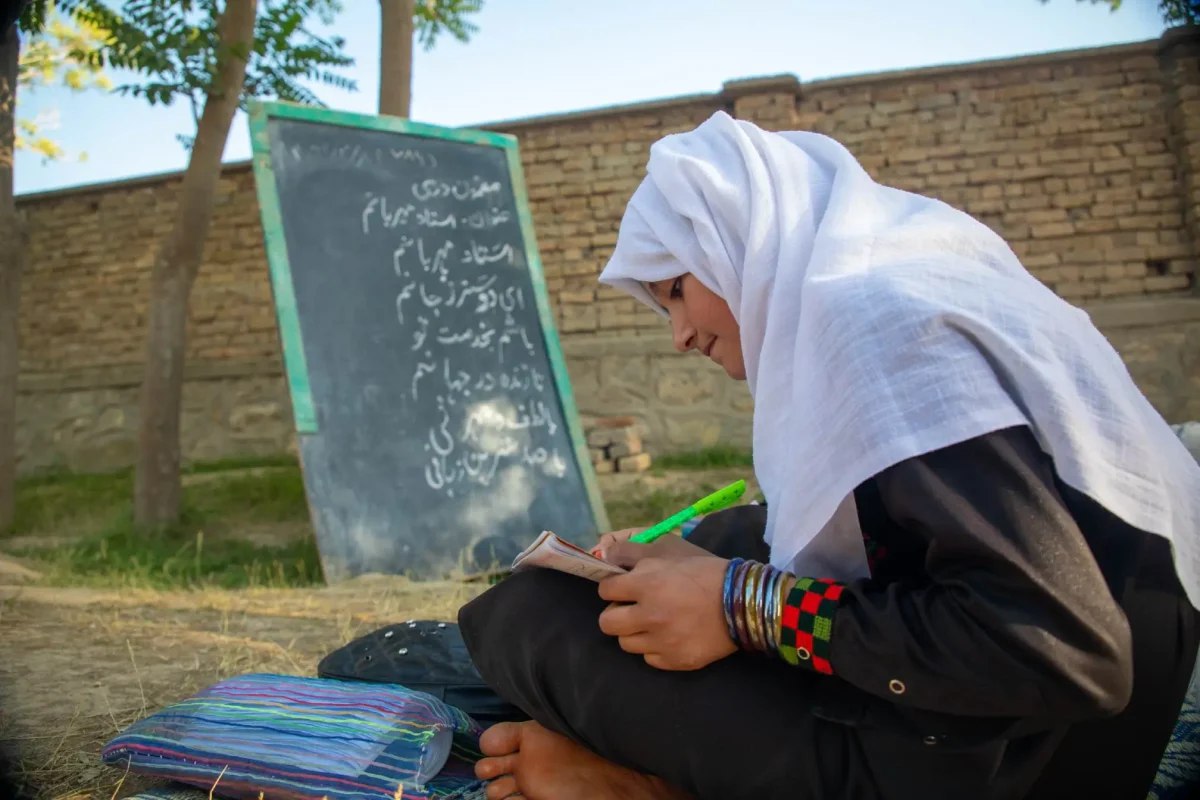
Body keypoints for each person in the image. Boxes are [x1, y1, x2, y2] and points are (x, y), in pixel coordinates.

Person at [457, 111, 1200, 800]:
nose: (678, 334)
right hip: (1060, 722)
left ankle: (649, 787)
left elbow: (1055, 649)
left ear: (740, 244)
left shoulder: (877, 328)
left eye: (678, 290)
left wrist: (745, 606)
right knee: (724, 536)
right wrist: (714, 570)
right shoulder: (904, 278)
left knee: (530, 614)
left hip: (1009, 761)